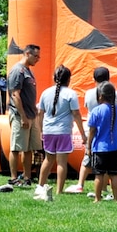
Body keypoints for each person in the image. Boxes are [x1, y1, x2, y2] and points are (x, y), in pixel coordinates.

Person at [34, 65, 85, 201]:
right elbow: (76, 114)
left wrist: (41, 130)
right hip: (63, 131)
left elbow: (40, 113)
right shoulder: (70, 94)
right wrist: (82, 133)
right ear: (69, 79)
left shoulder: (45, 92)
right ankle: (59, 190)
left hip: (48, 131)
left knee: (48, 159)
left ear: (54, 78)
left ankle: (40, 186)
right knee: (62, 162)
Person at [87, 81, 117, 202]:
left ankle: (97, 198)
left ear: (100, 96)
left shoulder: (97, 111)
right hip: (114, 148)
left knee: (99, 175)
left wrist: (88, 147)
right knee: (114, 175)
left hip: (99, 148)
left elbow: (92, 131)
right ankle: (116, 198)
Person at [7, 44, 41, 186]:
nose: (38, 59)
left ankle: (27, 177)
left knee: (28, 148)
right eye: (36, 56)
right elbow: (15, 95)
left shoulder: (28, 71)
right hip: (20, 115)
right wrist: (23, 116)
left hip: (31, 115)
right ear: (27, 54)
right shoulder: (17, 70)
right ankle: (14, 177)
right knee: (16, 148)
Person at [77, 66, 111, 194]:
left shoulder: (89, 93)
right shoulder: (114, 93)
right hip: (107, 129)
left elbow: (87, 107)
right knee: (106, 157)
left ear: (94, 79)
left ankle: (80, 183)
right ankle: (103, 186)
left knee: (87, 156)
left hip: (91, 127)